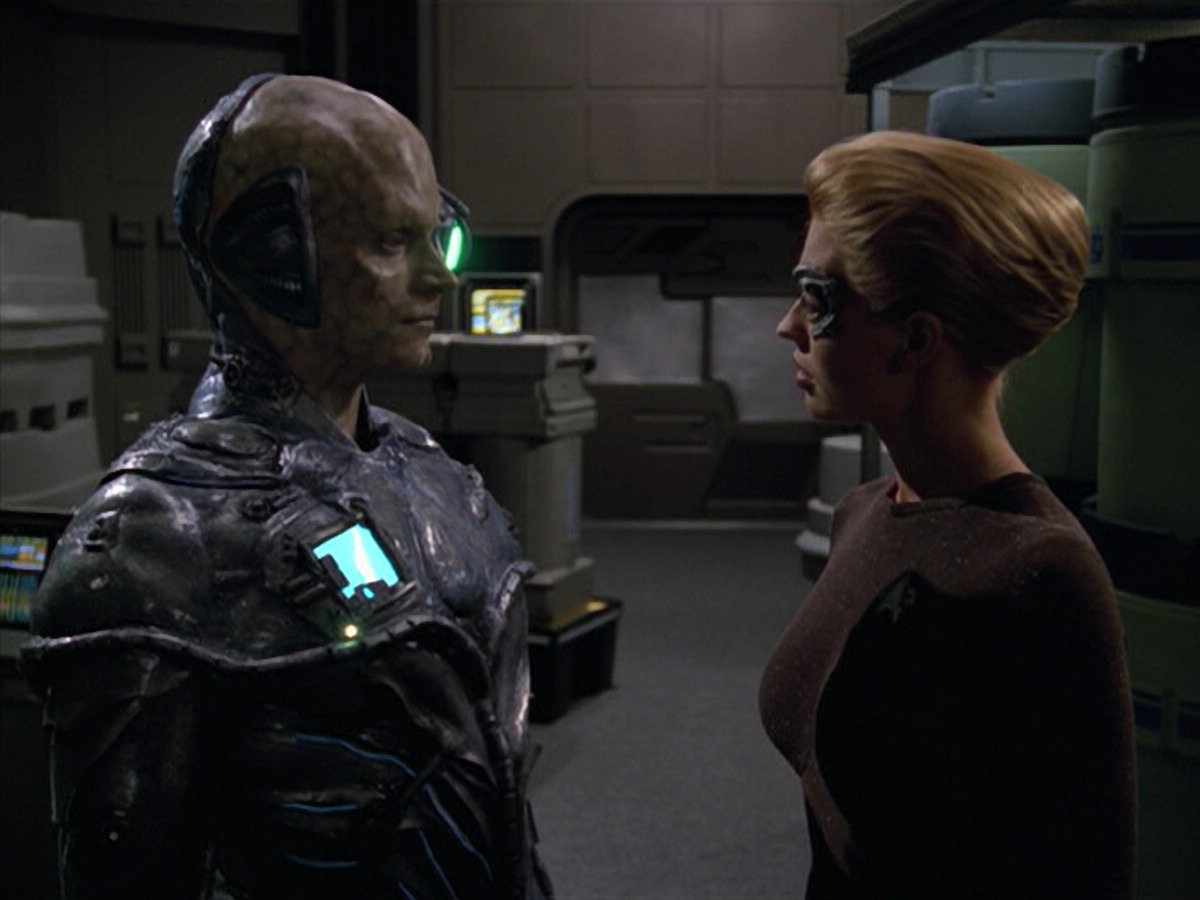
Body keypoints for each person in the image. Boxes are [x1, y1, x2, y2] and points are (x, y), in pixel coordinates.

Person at [21, 74, 553, 899]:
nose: (438, 279)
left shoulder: (431, 472)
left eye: (436, 237)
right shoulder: (153, 541)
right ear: (268, 256)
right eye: (390, 242)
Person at [759, 131, 1136, 899]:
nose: (787, 325)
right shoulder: (866, 513)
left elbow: (1087, 875)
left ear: (915, 340)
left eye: (818, 298)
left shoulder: (1037, 572)